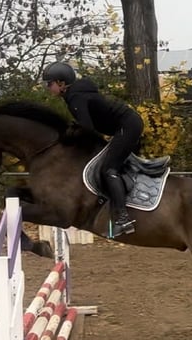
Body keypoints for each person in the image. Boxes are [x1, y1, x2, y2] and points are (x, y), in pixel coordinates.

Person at [42, 61, 142, 238]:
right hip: (124, 126)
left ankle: (122, 218)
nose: (47, 87)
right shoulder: (75, 95)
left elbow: (87, 130)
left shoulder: (75, 97)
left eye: (49, 83)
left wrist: (69, 138)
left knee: (109, 169)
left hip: (128, 126)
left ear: (62, 83)